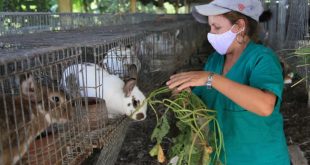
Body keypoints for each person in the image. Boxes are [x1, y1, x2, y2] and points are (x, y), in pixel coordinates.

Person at [166, 0, 291, 165]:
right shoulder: (215, 60)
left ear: (239, 25)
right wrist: (184, 96)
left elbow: (265, 105)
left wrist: (211, 78)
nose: (210, 33)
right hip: (219, 158)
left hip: (259, 159)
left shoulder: (262, 59)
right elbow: (202, 105)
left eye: (216, 27)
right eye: (210, 27)